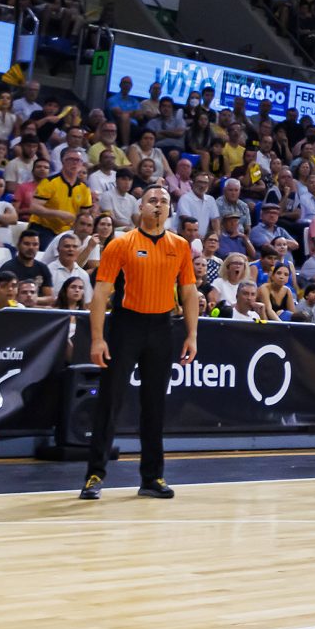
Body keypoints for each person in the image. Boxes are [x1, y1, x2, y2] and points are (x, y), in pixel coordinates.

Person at [79, 181, 199, 501]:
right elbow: (101, 293)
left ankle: (152, 477)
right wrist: (97, 339)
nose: (158, 204)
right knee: (110, 400)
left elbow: (189, 292)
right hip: (126, 326)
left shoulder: (180, 246)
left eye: (164, 200)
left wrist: (192, 334)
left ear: (169, 209)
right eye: (152, 199)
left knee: (155, 404)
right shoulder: (121, 243)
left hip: (162, 327)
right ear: (140, 207)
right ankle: (94, 474)